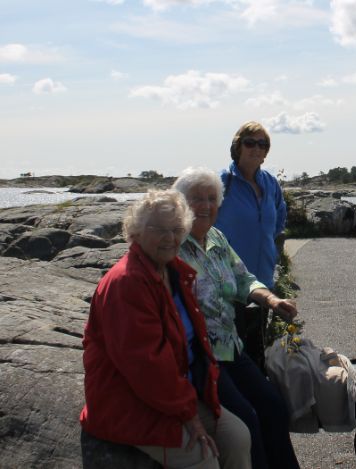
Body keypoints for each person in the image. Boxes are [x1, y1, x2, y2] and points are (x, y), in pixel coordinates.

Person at [79, 190, 251, 469]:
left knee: (238, 437)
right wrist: (189, 415)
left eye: (176, 229)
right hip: (130, 403)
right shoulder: (127, 283)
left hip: (172, 395)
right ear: (134, 232)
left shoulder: (173, 271)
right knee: (204, 458)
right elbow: (147, 366)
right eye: (159, 229)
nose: (170, 238)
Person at [173, 167, 301, 469]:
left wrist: (272, 299)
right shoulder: (174, 245)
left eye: (211, 199)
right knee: (248, 418)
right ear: (181, 204)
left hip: (231, 346)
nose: (205, 206)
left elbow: (244, 279)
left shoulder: (217, 238)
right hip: (202, 357)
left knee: (273, 406)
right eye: (196, 199)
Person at [215, 121, 286, 289]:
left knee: (261, 316)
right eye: (250, 143)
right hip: (230, 281)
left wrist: (267, 245)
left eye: (262, 144)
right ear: (238, 146)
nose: (256, 149)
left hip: (264, 279)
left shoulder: (271, 183)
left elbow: (279, 220)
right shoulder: (222, 181)